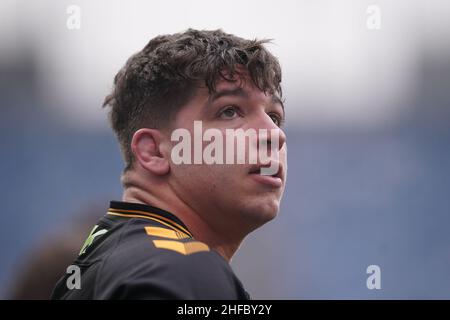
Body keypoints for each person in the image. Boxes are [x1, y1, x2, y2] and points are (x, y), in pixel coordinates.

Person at [51, 28, 287, 299]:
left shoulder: (105, 260)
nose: (274, 134)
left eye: (275, 116)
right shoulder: (181, 269)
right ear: (153, 152)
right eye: (230, 111)